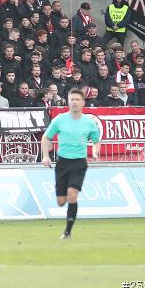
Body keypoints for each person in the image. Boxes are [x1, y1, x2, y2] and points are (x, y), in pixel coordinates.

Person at [41, 88, 101, 239]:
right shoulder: (60, 119)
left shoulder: (89, 122)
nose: (74, 102)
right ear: (68, 101)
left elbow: (96, 141)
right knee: (61, 201)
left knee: (72, 195)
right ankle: (65, 205)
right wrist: (45, 156)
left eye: (77, 99)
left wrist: (95, 151)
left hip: (79, 163)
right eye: (72, 99)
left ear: (83, 103)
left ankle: (67, 232)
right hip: (62, 163)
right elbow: (46, 137)